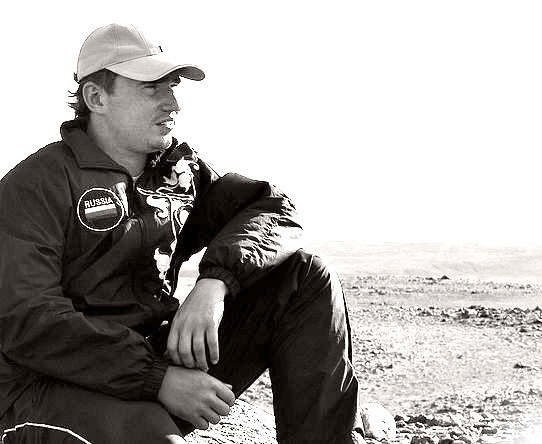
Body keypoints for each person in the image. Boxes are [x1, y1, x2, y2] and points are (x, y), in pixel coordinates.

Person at [0, 23, 363, 444]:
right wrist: (156, 378)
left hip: (148, 366)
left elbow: (272, 207)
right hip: (42, 388)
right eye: (151, 88)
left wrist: (215, 283)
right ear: (96, 98)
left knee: (303, 277)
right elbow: (29, 321)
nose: (172, 103)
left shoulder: (178, 172)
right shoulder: (37, 184)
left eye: (173, 87)